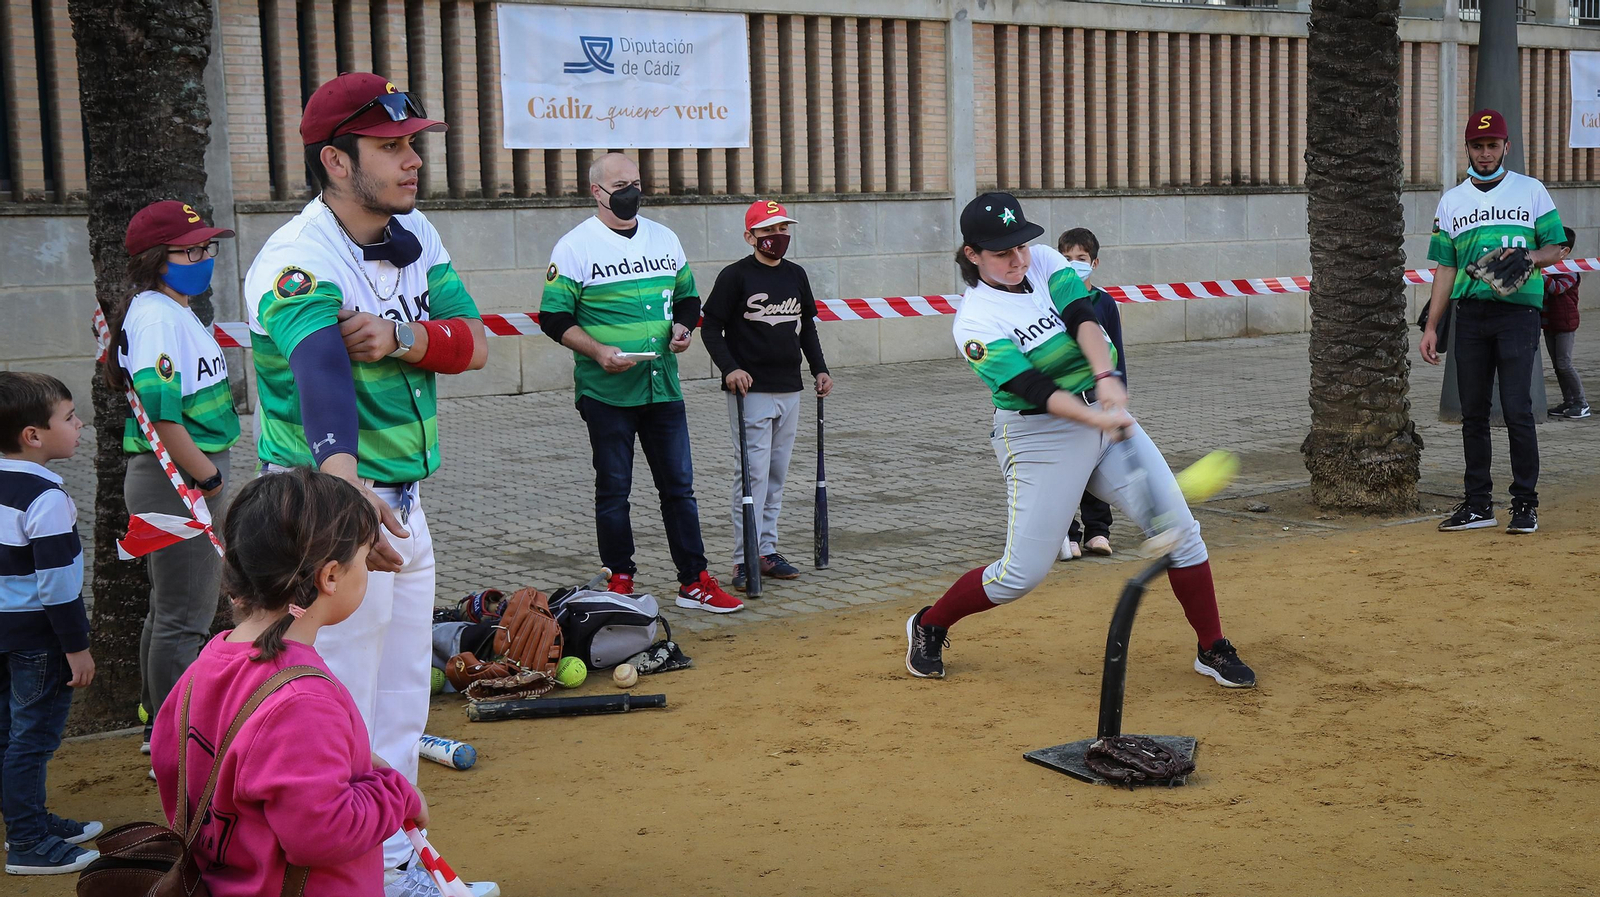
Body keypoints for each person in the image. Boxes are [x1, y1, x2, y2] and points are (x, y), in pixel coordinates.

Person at [241, 72, 495, 896]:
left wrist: (401, 336)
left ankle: (394, 859)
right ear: (337, 162)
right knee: (338, 703)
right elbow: (318, 366)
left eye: (413, 143)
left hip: (404, 503)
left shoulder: (416, 228)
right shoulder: (295, 254)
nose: (412, 160)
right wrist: (344, 492)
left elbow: (475, 343)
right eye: (391, 147)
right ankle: (351, 874)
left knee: (397, 704)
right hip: (329, 508)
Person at [904, 193, 1256, 689]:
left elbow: (1083, 319)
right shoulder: (975, 323)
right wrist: (1095, 419)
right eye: (1002, 252)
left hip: (1101, 413)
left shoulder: (1046, 261)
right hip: (1038, 435)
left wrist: (1107, 376)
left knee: (1182, 531)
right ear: (972, 254)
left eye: (1021, 246)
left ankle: (1211, 647)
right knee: (1020, 575)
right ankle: (930, 623)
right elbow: (1037, 391)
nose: (1018, 259)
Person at [151, 468, 426, 895]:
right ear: (330, 576)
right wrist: (397, 793)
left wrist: (345, 761)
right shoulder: (302, 698)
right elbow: (323, 833)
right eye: (364, 558)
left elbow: (177, 762)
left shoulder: (209, 661)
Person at [540, 152, 742, 613]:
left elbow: (689, 299)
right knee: (614, 490)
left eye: (636, 182)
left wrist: (684, 329)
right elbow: (553, 317)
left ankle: (694, 580)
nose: (632, 191)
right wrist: (597, 351)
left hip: (663, 388)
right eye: (620, 184)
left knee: (679, 488)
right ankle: (620, 581)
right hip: (606, 391)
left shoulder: (664, 237)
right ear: (596, 191)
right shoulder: (575, 247)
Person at [107, 200, 239, 757]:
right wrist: (209, 479)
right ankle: (178, 737)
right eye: (192, 249)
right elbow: (164, 417)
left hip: (176, 474)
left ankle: (156, 721)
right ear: (160, 259)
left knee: (170, 609)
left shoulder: (168, 308)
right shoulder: (159, 315)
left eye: (207, 247)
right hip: (178, 476)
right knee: (186, 617)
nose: (204, 257)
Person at [1420, 109, 1567, 535]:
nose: (1485, 153)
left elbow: (1556, 246)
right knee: (1474, 414)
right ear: (1467, 148)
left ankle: (1525, 505)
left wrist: (1529, 257)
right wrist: (1432, 325)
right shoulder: (1452, 200)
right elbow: (1445, 269)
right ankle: (1478, 504)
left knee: (1518, 410)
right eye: (1478, 145)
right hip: (1470, 316)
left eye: (1492, 145)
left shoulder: (1531, 190)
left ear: (1506, 147)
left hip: (1518, 313)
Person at [701, 200, 833, 591]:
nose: (777, 237)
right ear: (751, 237)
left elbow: (806, 327)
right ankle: (744, 560)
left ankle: (767, 550)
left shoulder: (795, 274)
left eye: (783, 229)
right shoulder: (735, 276)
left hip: (789, 387)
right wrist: (730, 369)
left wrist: (819, 369)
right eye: (768, 231)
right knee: (752, 475)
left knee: (776, 475)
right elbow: (711, 329)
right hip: (751, 391)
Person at [0, 372, 100, 875]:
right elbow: (59, 585)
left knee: (6, 733)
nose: (80, 423)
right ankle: (28, 842)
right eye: (69, 416)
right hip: (39, 638)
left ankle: (27, 818)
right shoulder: (47, 498)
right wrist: (76, 647)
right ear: (32, 435)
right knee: (32, 738)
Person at [1057, 227, 1125, 561]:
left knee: (1097, 466)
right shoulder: (1049, 302)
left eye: (1080, 259)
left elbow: (1116, 351)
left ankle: (1098, 531)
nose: (1073, 264)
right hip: (1064, 402)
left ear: (1094, 263)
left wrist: (1118, 389)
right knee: (1067, 470)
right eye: (1066, 258)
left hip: (1098, 399)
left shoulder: (1105, 304)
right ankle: (1066, 533)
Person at [1542, 227, 1587, 419]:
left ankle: (1581, 402)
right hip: (1550, 323)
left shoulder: (1570, 270)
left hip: (1565, 324)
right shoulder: (1549, 268)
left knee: (1564, 363)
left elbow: (1557, 289)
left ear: (1565, 251)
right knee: (1557, 365)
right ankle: (1568, 401)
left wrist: (1540, 274)